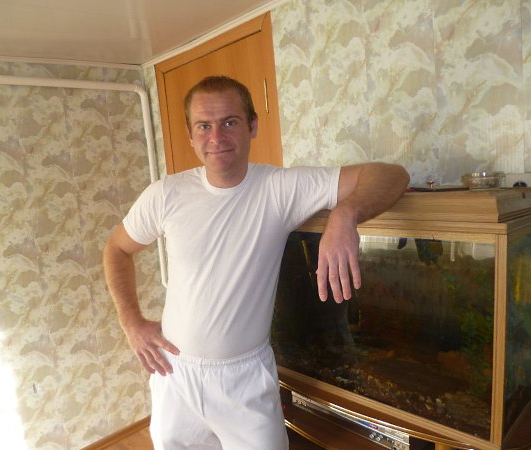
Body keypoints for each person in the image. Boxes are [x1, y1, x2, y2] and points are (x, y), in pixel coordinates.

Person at [103, 75, 409, 450]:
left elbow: (391, 175)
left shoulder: (278, 189)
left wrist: (345, 215)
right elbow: (116, 250)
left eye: (230, 122)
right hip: (174, 374)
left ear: (252, 126)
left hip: (244, 380)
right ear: (190, 135)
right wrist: (131, 322)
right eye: (204, 126)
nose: (216, 137)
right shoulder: (165, 194)